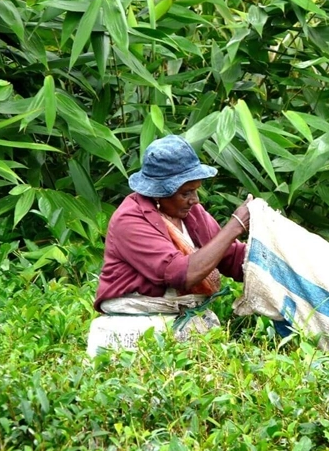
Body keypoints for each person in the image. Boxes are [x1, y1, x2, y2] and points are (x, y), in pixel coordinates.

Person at [93, 134, 251, 337]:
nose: (194, 200)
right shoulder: (130, 220)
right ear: (158, 192)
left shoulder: (192, 213)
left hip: (185, 316)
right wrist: (235, 226)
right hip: (141, 324)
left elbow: (229, 256)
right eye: (185, 193)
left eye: (195, 191)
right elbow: (181, 274)